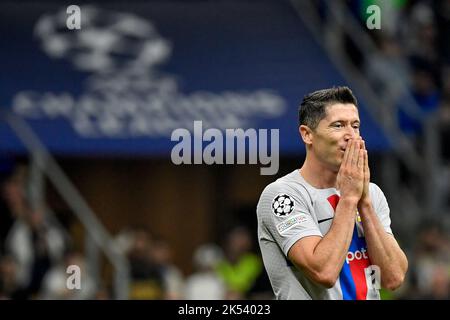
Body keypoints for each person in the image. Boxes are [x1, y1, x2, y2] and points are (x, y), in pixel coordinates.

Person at [256, 86, 408, 300]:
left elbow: (393, 278)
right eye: (338, 125)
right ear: (307, 134)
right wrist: (349, 199)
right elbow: (324, 272)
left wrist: (364, 204)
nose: (351, 136)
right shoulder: (283, 196)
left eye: (355, 126)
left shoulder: (371, 194)